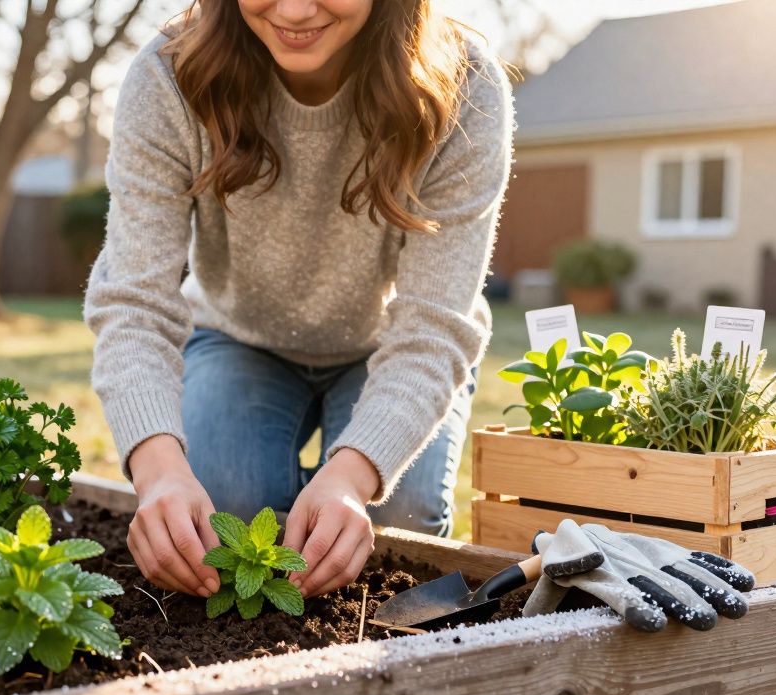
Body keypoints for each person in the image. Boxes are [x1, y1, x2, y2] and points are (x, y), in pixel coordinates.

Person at [83, 0, 513, 601]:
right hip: (238, 338)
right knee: (222, 516)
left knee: (401, 523)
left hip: (389, 346)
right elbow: (133, 302)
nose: (292, 9)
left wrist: (350, 477)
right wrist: (159, 474)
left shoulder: (462, 84)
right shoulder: (169, 75)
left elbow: (433, 328)